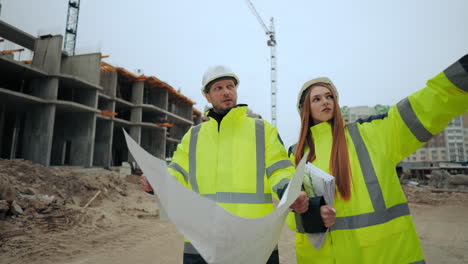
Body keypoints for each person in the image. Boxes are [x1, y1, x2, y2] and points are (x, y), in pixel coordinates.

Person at [287, 55, 468, 263]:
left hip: (381, 254)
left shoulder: (372, 134)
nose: (325, 101)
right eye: (316, 99)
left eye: (329, 96)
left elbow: (424, 107)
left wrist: (461, 74)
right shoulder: (297, 155)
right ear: (305, 109)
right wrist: (313, 216)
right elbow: (290, 215)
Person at [141, 65, 309, 264]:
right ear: (207, 96)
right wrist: (156, 180)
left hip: (253, 240)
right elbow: (176, 171)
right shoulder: (193, 137)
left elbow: (279, 169)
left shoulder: (262, 131)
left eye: (230, 86)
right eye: (218, 88)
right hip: (202, 242)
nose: (226, 92)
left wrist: (288, 191)